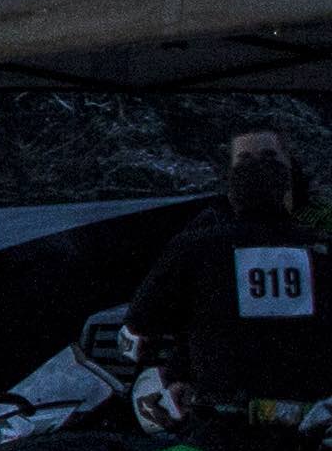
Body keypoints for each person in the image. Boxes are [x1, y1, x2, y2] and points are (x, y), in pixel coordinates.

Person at [122, 129, 332, 426]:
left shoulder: (198, 246)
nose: (259, 165)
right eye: (246, 160)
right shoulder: (320, 249)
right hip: (307, 431)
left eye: (268, 157)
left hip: (225, 428)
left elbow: (142, 324)